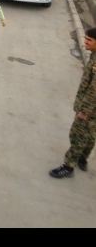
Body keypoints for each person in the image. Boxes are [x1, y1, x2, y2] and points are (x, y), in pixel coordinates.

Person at [49, 28, 96, 179]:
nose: (85, 42)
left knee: (77, 135)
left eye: (89, 40)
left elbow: (93, 91)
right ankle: (82, 158)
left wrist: (84, 110)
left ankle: (68, 166)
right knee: (90, 135)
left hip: (89, 109)